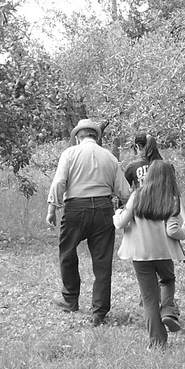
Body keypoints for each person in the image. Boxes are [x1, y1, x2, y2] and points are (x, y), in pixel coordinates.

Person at [47, 118, 132, 326]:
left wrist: (52, 208)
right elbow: (124, 191)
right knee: (102, 261)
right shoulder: (110, 157)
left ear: (78, 136)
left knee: (67, 252)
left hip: (75, 207)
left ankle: (70, 298)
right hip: (103, 208)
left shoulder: (70, 154)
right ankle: (99, 311)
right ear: (96, 136)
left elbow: (59, 181)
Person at [113, 160, 185, 349]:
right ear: (170, 178)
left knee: (150, 299)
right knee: (167, 280)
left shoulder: (137, 196)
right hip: (163, 253)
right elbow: (173, 231)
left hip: (140, 255)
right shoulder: (171, 198)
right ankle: (168, 309)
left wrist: (116, 215)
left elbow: (120, 223)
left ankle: (157, 343)